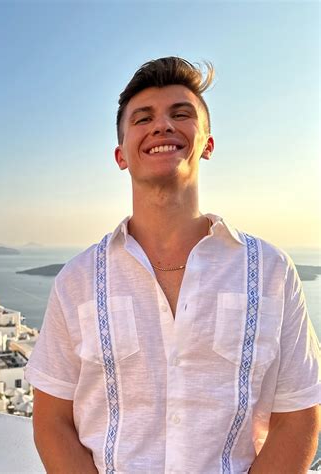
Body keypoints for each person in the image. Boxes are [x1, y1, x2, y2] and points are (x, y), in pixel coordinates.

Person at [24, 57, 320, 473]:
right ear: (121, 155)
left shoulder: (271, 271)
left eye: (181, 114)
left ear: (208, 144)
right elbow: (51, 420)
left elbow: (298, 414)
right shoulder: (77, 280)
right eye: (143, 118)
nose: (162, 126)